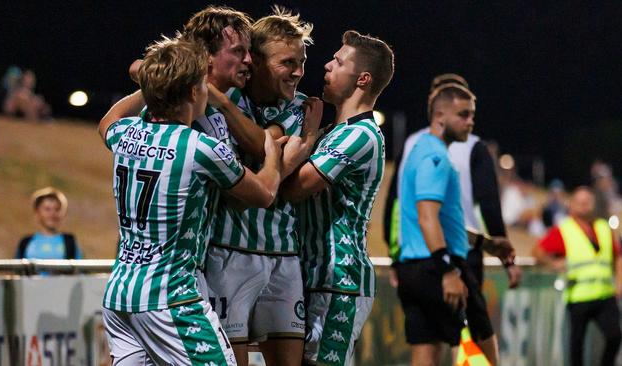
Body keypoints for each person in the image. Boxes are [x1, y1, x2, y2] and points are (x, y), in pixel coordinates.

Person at [98, 36, 287, 365]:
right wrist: (273, 154)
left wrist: (155, 84)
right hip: (170, 297)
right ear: (191, 92)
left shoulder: (125, 133)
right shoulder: (201, 148)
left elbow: (108, 120)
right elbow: (264, 193)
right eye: (201, 83)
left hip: (120, 296)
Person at [203, 8, 319, 366]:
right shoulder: (229, 96)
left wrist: (281, 147)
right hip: (229, 254)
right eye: (287, 62)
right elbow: (263, 171)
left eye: (301, 61)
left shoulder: (302, 108)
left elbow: (265, 163)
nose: (298, 72)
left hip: (284, 259)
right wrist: (300, 143)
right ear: (258, 63)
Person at [388, 74, 519, 364]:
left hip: (414, 266)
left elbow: (443, 221)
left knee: (426, 348)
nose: (471, 122)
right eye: (463, 115)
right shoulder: (435, 157)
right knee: (482, 336)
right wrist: (448, 271)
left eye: (472, 115)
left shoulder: (417, 149)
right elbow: (427, 218)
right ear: (439, 116)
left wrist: (486, 244)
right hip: (438, 266)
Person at [282, 30, 394, 365]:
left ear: (362, 79)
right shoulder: (335, 132)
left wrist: (304, 138)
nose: (327, 66)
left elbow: (296, 187)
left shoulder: (362, 135)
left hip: (339, 281)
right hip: (313, 277)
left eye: (338, 61)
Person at [534, 186, 622, 366]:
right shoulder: (564, 229)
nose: (584, 206)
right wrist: (554, 264)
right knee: (577, 345)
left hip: (605, 294)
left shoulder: (603, 228)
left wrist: (619, 282)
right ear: (572, 205)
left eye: (588, 202)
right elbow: (538, 251)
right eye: (580, 202)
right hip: (578, 296)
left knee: (614, 336)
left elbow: (617, 256)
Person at [16, 187, 81, 260]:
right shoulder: (26, 243)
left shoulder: (70, 241)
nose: (52, 214)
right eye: (47, 209)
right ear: (37, 213)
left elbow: (79, 269)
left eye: (57, 209)